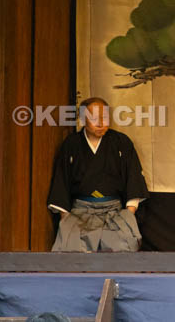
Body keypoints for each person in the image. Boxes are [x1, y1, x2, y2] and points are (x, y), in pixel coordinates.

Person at [47, 97, 149, 252]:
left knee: (124, 248)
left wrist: (129, 214)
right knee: (70, 250)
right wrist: (66, 220)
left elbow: (133, 179)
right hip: (80, 212)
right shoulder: (71, 144)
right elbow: (61, 182)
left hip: (114, 212)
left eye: (105, 118)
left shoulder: (121, 142)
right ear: (82, 119)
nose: (101, 123)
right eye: (94, 118)